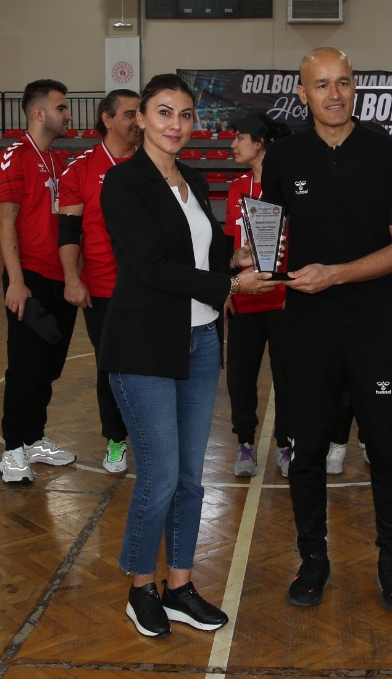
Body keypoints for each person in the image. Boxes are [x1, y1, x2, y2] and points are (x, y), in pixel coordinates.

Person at [98, 73, 276, 637]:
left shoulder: (193, 179)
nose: (176, 124)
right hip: (144, 346)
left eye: (185, 114)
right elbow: (153, 267)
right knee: (159, 478)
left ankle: (179, 586)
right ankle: (140, 589)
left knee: (191, 479)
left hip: (199, 342)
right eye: (164, 112)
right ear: (141, 118)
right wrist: (230, 286)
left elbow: (199, 250)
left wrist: (233, 256)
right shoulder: (122, 183)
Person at [262, 47, 392, 613]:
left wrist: (335, 274)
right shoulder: (283, 157)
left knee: (386, 450)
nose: (334, 94)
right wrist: (249, 262)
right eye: (321, 84)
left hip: (375, 325)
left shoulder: (386, 152)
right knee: (305, 450)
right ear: (302, 93)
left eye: (344, 83)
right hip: (307, 327)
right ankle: (313, 559)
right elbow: (268, 237)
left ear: (355, 88)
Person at [0, 79, 78, 483]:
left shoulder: (58, 162)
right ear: (40, 113)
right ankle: (12, 449)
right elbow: (4, 221)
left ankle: (32, 438)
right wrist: (16, 280)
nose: (68, 115)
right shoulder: (15, 156)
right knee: (25, 366)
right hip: (29, 279)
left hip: (59, 279)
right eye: (62, 107)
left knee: (49, 366)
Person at [58, 89, 140, 474]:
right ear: (107, 119)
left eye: (140, 113)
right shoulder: (81, 168)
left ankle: (151, 434)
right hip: (103, 288)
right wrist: (71, 278)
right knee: (109, 366)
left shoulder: (154, 162)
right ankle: (116, 438)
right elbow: (68, 231)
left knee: (151, 364)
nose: (138, 121)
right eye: (129, 114)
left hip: (149, 287)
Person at [223, 112, 301, 478]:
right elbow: (228, 244)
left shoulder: (288, 184)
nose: (233, 144)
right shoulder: (237, 187)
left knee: (287, 376)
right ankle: (245, 444)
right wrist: (227, 282)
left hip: (282, 298)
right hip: (244, 296)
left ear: (260, 143)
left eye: (240, 137)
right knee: (240, 378)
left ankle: (286, 443)